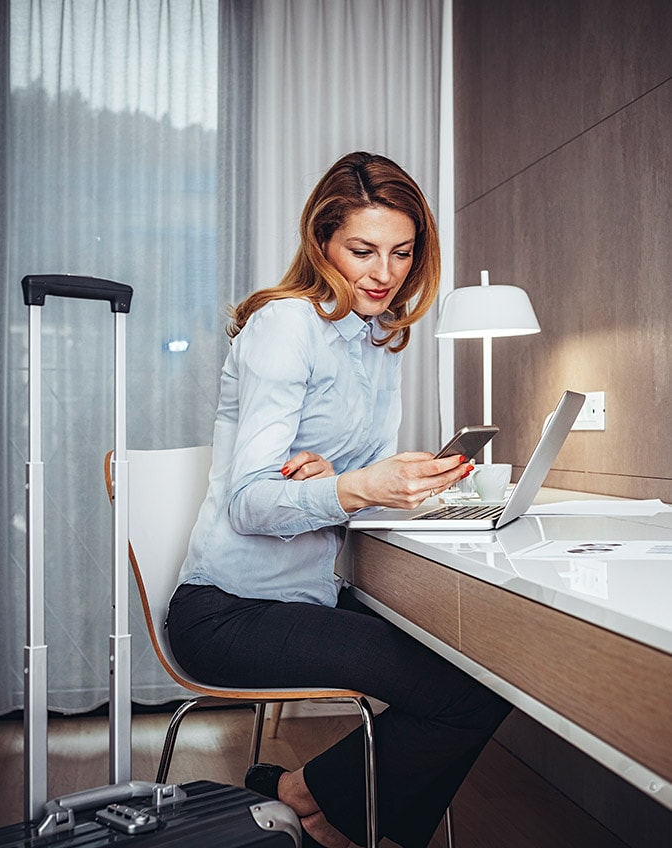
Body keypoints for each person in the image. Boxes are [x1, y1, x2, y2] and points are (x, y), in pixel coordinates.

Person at [167, 151, 511, 848]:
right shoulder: (286, 325)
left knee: (488, 671)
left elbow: (330, 487)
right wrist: (355, 485)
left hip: (306, 599)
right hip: (227, 611)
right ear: (322, 243)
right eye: (363, 250)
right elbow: (249, 504)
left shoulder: (379, 342)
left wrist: (347, 480)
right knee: (469, 692)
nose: (384, 273)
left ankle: (309, 795)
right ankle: (325, 806)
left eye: (402, 253)